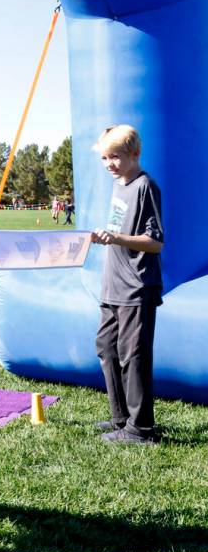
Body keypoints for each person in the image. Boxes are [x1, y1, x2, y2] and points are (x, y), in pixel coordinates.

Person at [90, 125, 163, 445]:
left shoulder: (145, 187)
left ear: (135, 153)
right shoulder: (119, 185)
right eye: (105, 158)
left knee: (133, 356)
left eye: (115, 157)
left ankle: (141, 428)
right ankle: (121, 418)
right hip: (113, 285)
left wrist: (116, 238)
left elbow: (155, 242)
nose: (109, 164)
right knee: (107, 347)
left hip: (137, 286)